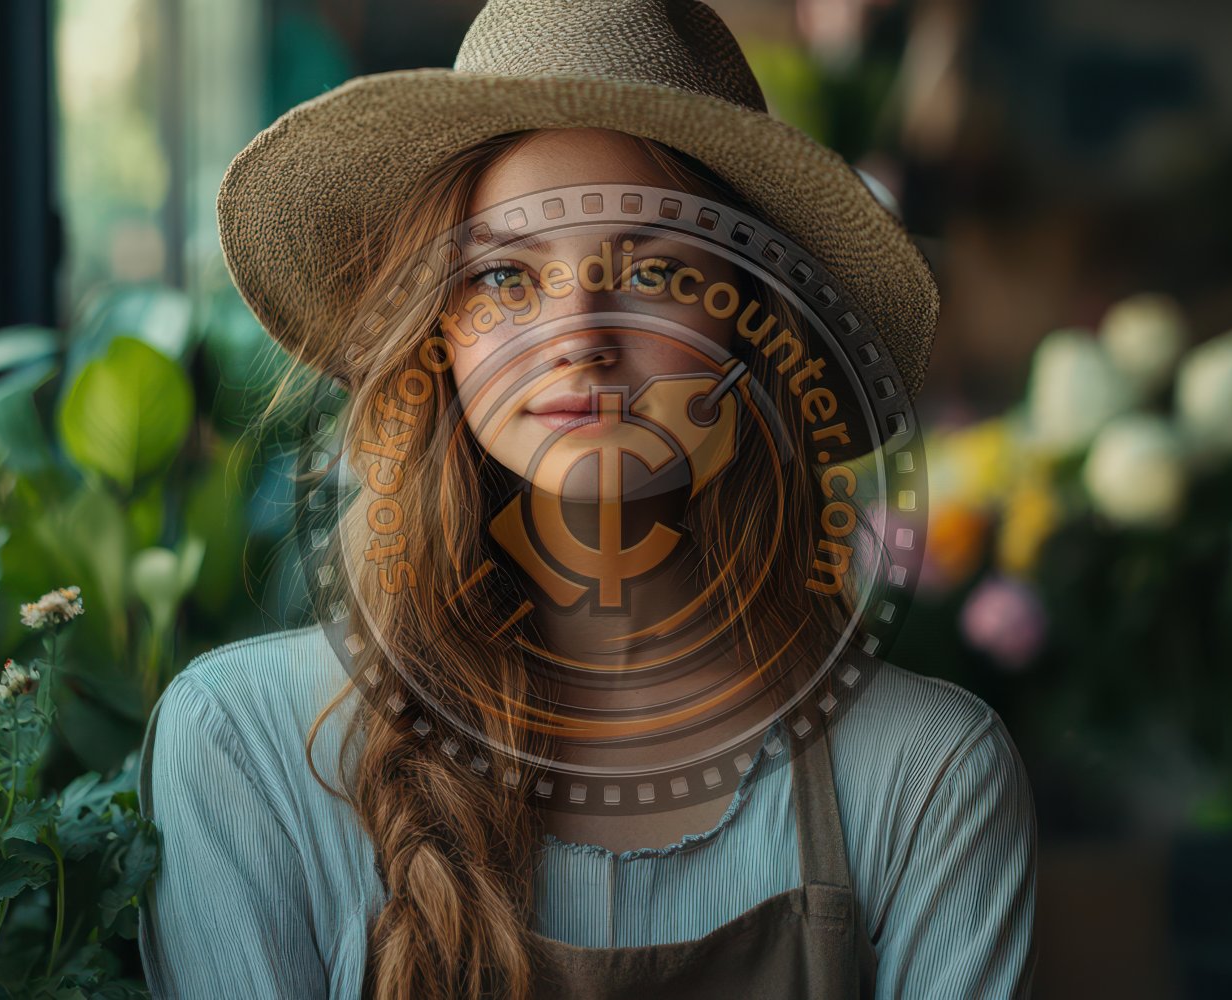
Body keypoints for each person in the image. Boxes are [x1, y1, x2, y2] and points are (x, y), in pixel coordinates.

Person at [138, 2, 1036, 998]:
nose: (575, 333)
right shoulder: (245, 748)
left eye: (651, 266)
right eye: (504, 278)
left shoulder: (924, 775)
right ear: (437, 333)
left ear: (753, 327)